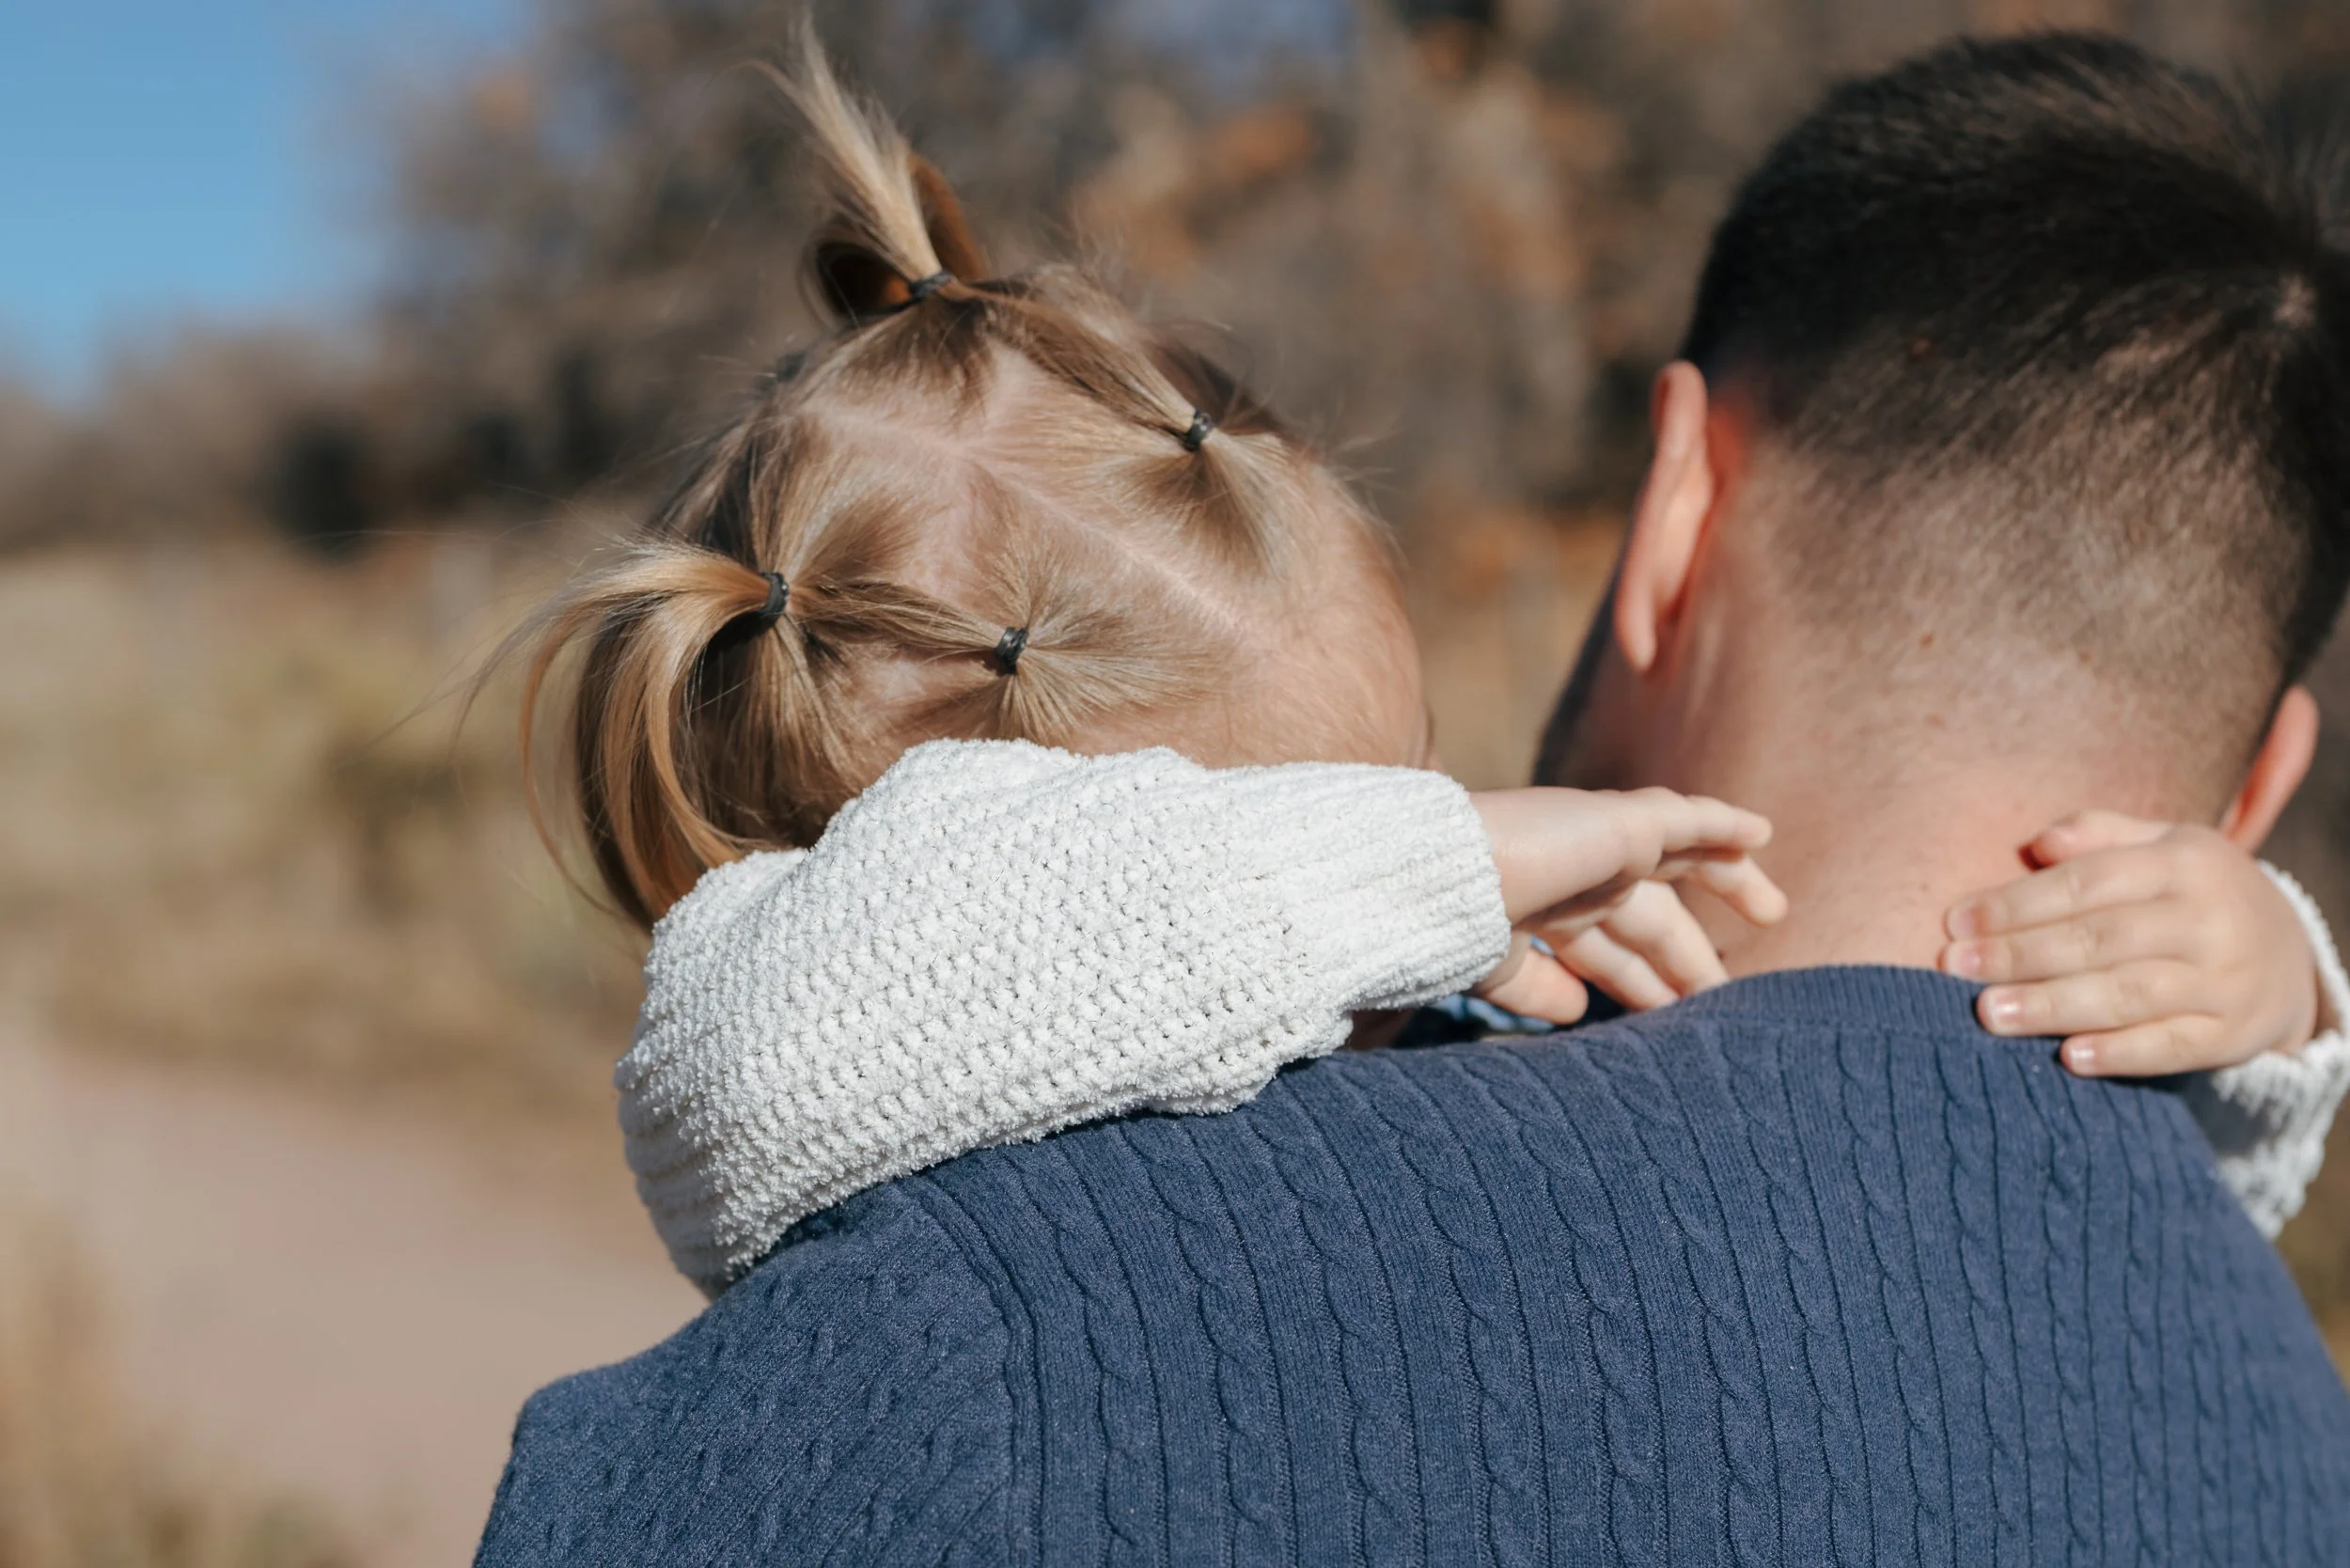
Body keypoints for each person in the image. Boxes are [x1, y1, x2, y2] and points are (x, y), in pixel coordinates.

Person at [478, 31, 2350, 1565]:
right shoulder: (2276, 1432)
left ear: (1677, 509)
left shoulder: (966, 1352)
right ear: (2260, 779)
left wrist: (2281, 999)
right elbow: (777, 1032)